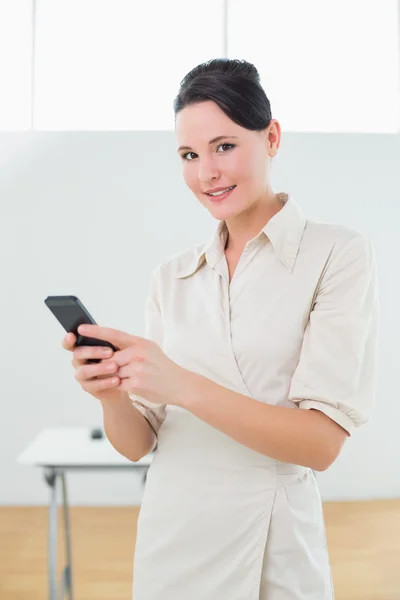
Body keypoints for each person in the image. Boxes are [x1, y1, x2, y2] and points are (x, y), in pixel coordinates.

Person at [63, 58, 379, 599]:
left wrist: (179, 383)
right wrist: (112, 396)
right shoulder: (173, 276)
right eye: (189, 155)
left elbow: (321, 443)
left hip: (273, 541)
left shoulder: (335, 253)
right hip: (174, 535)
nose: (206, 172)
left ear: (272, 136)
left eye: (224, 146)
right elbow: (138, 444)